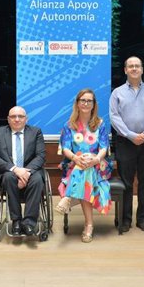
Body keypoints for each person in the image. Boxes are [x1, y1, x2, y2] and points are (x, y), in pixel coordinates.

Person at [109, 56, 144, 233]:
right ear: (125, 70)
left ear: (142, 69)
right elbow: (114, 118)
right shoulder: (117, 93)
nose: (134, 69)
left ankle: (143, 219)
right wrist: (131, 135)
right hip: (125, 142)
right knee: (126, 182)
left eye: (137, 66)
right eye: (130, 66)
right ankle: (125, 220)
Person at [55, 89, 112, 243]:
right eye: (83, 100)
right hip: (74, 164)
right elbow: (65, 148)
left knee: (86, 162)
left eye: (89, 101)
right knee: (83, 166)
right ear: (77, 103)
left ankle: (69, 198)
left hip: (98, 165)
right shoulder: (69, 125)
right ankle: (89, 225)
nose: (86, 103)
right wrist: (75, 158)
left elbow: (104, 148)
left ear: (94, 104)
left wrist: (95, 159)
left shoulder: (100, 124)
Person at [0, 106, 46, 236]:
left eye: (20, 116)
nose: (17, 119)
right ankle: (16, 221)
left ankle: (29, 222)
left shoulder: (36, 132)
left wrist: (26, 172)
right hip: (8, 172)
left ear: (26, 119)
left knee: (37, 180)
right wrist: (15, 170)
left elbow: (40, 156)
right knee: (9, 177)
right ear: (8, 119)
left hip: (31, 172)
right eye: (13, 116)